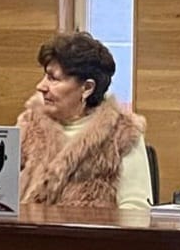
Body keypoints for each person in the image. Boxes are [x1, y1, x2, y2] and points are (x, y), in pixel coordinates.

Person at [17, 31, 152, 210]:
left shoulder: (122, 132)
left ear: (87, 88)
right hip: (29, 236)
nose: (40, 86)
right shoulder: (28, 125)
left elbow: (136, 209)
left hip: (95, 236)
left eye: (53, 78)